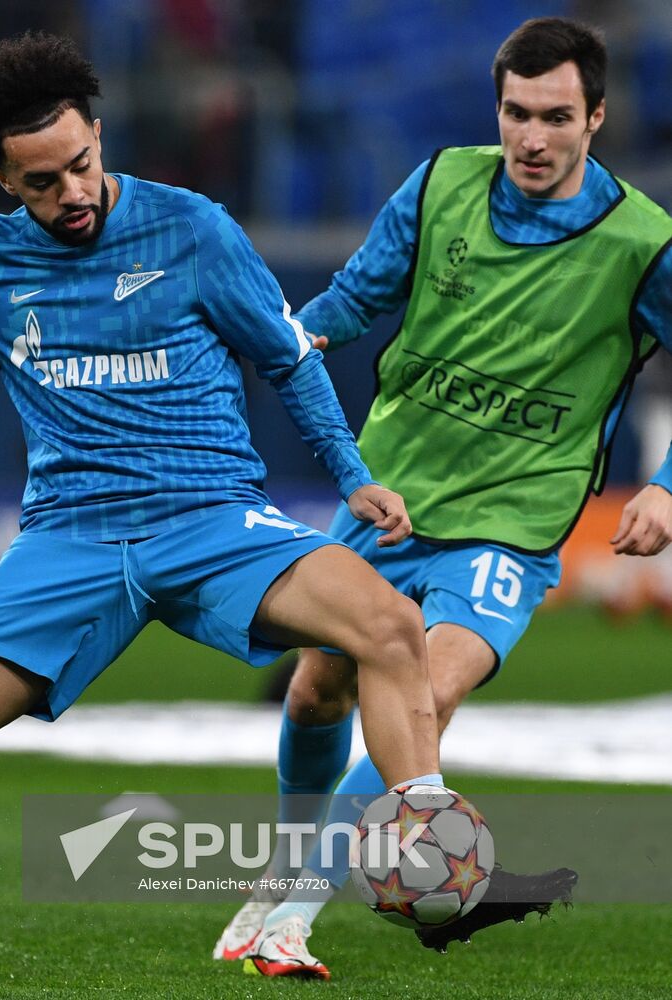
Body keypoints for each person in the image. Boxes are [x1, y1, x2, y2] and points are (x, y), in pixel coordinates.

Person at [0, 31, 451, 997]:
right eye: (41, 182)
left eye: (81, 164)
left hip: (211, 522)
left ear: (99, 137)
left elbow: (287, 357)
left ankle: (428, 838)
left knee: (390, 625)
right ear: (2, 179)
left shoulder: (194, 229)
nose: (71, 193)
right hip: (70, 540)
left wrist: (351, 473)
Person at [215, 17, 672, 980]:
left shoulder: (643, 242)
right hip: (394, 498)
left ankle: (294, 916)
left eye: (556, 117)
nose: (533, 138)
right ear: (496, 109)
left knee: (427, 686)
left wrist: (666, 486)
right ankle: (286, 870)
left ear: (598, 116)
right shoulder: (438, 185)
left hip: (513, 520)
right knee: (315, 690)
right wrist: (276, 344)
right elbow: (351, 299)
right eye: (516, 113)